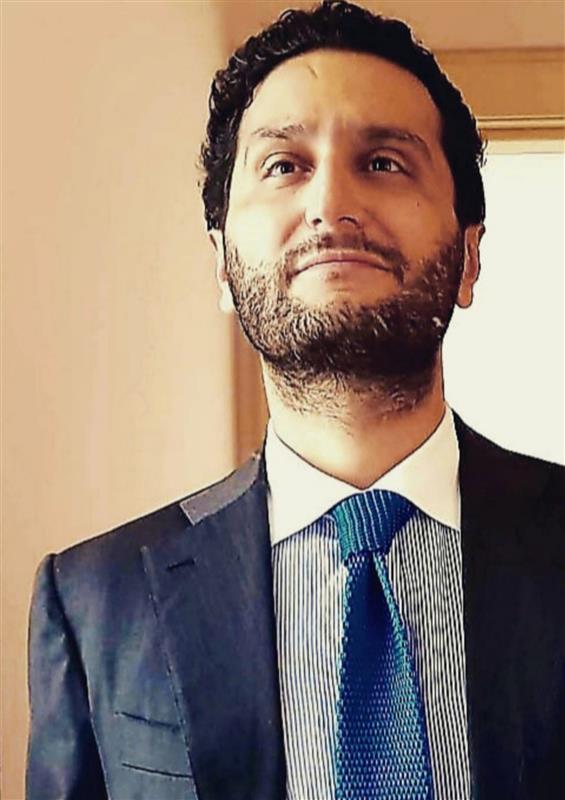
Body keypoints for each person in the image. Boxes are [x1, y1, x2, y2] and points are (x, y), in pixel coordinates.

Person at [26, 2, 564, 799]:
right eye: (282, 165)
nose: (330, 205)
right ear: (221, 263)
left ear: (467, 258)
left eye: (383, 161)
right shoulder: (94, 601)